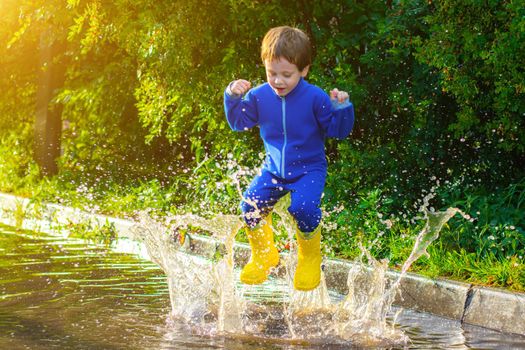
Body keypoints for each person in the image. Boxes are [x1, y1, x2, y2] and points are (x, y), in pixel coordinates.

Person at [224, 26, 354, 291]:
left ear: (304, 70)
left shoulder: (315, 97)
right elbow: (239, 123)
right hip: (273, 170)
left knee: (303, 209)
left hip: (309, 170)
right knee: (250, 206)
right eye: (272, 73)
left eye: (287, 74)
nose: (278, 81)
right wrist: (232, 97)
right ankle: (264, 254)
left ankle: (309, 256)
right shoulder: (259, 96)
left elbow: (337, 131)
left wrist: (342, 107)